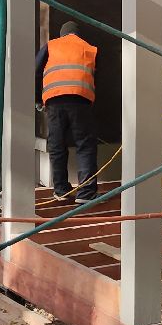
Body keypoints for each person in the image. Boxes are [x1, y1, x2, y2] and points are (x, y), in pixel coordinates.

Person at [36, 20, 99, 202]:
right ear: (78, 35)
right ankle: (86, 193)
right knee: (85, 145)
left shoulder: (51, 46)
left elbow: (35, 70)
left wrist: (38, 98)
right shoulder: (89, 48)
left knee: (56, 145)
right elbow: (94, 76)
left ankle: (61, 190)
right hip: (81, 99)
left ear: (62, 34)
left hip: (54, 101)